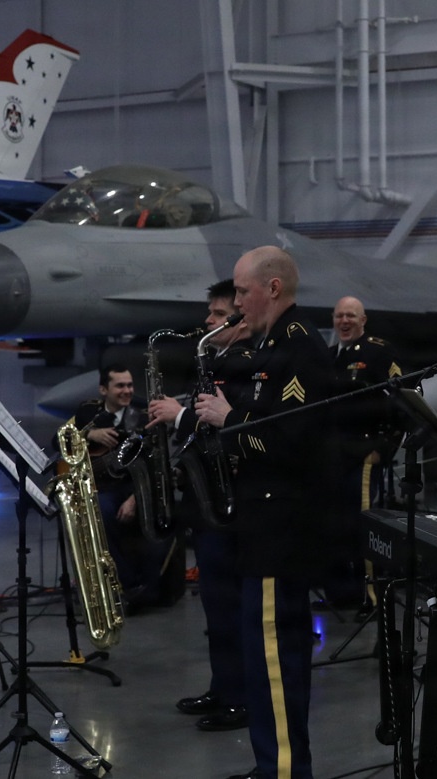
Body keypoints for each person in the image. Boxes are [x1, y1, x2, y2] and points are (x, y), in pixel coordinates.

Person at [195, 246, 342, 779]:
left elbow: (290, 438)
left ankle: (284, 772)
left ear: (272, 288)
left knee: (276, 662)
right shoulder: (273, 343)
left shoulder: (299, 347)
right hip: (262, 526)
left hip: (283, 529)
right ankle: (272, 765)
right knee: (262, 661)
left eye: (242, 291)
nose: (235, 304)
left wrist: (228, 417)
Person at [147, 279, 253, 733]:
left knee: (231, 606)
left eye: (216, 314)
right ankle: (222, 686)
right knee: (214, 605)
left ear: (238, 319)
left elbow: (235, 427)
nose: (207, 322)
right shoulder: (217, 360)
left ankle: (240, 698)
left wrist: (182, 415)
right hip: (208, 501)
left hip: (233, 506)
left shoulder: (251, 366)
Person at [319, 295, 403, 614]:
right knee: (332, 527)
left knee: (364, 528)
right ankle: (340, 593)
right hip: (331, 456)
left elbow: (401, 400)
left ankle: (371, 597)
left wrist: (384, 448)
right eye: (339, 315)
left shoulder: (378, 353)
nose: (344, 321)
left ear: (363, 320)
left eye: (351, 316)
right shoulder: (326, 357)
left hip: (363, 455)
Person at [68, 365, 176, 612]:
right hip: (101, 486)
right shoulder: (88, 412)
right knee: (98, 511)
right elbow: (59, 441)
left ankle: (137, 587)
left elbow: (154, 465)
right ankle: (125, 584)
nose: (127, 391)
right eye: (120, 386)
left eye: (129, 385)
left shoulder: (143, 417)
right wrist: (90, 434)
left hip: (135, 487)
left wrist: (134, 499)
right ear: (103, 389)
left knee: (125, 514)